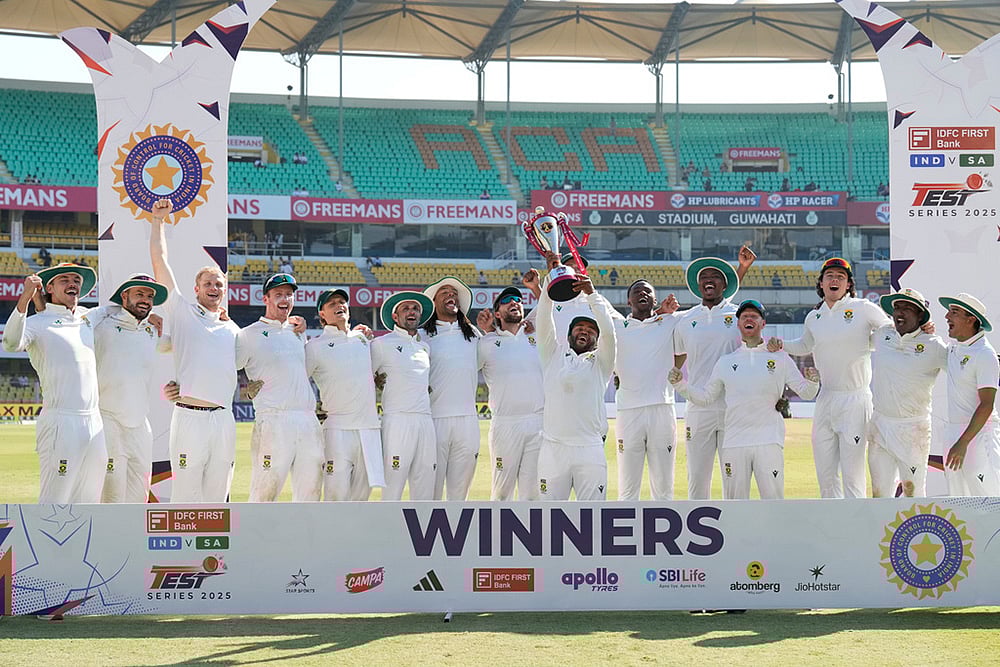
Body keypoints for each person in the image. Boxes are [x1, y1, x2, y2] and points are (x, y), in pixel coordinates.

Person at [767, 257, 892, 499]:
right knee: (825, 473)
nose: (835, 280)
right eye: (830, 276)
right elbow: (805, 345)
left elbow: (890, 331)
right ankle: (832, 520)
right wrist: (782, 345)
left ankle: (855, 520)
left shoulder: (863, 308)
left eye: (841, 277)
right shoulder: (814, 316)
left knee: (852, 474)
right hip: (826, 398)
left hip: (855, 398)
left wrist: (920, 330)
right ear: (821, 283)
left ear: (848, 284)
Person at [670, 300, 820, 500]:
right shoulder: (726, 362)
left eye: (754, 316)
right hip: (735, 443)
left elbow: (806, 393)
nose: (749, 319)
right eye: (744, 316)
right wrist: (681, 385)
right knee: (735, 505)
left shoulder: (780, 358)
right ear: (738, 324)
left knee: (774, 501)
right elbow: (706, 398)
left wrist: (813, 382)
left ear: (763, 323)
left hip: (769, 441)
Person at [149, 197, 241, 503]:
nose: (214, 288)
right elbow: (160, 262)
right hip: (189, 417)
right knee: (185, 497)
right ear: (196, 289)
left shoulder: (232, 329)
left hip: (224, 419)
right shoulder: (181, 311)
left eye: (219, 285)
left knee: (218, 496)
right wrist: (157, 221)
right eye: (208, 284)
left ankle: (216, 539)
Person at [2, 263, 106, 503]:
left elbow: (119, 311)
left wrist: (149, 318)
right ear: (49, 288)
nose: (73, 284)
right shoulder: (37, 323)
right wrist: (25, 298)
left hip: (95, 421)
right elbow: (10, 343)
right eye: (64, 279)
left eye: (76, 280)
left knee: (90, 502)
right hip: (61, 421)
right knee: (54, 503)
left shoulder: (87, 317)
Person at [672, 246, 757, 500]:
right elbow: (677, 359)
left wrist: (742, 268)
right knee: (697, 479)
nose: (709, 281)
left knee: (735, 478)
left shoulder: (739, 315)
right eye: (704, 278)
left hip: (734, 408)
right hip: (698, 408)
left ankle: (737, 523)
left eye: (716, 277)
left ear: (726, 285)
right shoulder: (686, 320)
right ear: (698, 285)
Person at [235, 273, 323, 502]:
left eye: (289, 294)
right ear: (265, 299)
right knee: (264, 493)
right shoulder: (248, 335)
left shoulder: (297, 332)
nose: (285, 299)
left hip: (307, 420)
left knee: (311, 494)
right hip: (274, 419)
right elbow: (227, 367)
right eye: (278, 294)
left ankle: (305, 528)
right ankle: (255, 527)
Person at [536, 252, 617, 500]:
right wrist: (550, 280)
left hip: (589, 448)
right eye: (579, 328)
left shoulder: (601, 363)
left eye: (591, 330)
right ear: (569, 335)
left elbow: (610, 333)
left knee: (593, 515)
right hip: (553, 448)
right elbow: (543, 320)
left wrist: (592, 295)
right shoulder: (552, 355)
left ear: (597, 339)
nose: (585, 331)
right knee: (548, 516)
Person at [95, 273, 168, 503]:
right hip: (108, 421)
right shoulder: (102, 327)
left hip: (139, 425)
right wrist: (111, 308)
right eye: (139, 294)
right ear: (124, 296)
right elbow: (75, 319)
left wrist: (217, 318)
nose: (145, 300)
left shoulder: (151, 331)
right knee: (112, 498)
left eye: (150, 296)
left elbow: (185, 345)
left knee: (139, 497)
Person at [306, 289, 385, 501]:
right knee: (335, 497)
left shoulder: (362, 339)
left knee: (361, 499)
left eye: (342, 302)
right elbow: (298, 380)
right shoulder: (314, 347)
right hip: (337, 431)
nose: (339, 305)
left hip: (369, 430)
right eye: (331, 304)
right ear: (322, 314)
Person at [868, 289, 947, 498]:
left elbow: (963, 368)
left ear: (920, 316)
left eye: (907, 308)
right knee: (880, 494)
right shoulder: (882, 334)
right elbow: (852, 343)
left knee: (914, 493)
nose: (900, 313)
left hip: (913, 430)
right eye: (897, 308)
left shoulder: (934, 345)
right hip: (880, 425)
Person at [614, 280, 681, 500]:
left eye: (647, 291)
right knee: (627, 487)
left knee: (663, 487)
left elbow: (705, 312)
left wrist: (662, 313)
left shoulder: (670, 321)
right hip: (628, 411)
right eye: (636, 291)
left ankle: (664, 522)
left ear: (655, 299)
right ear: (628, 300)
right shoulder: (616, 326)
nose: (642, 293)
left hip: (662, 407)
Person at [476, 287, 543, 500]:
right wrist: (486, 331)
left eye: (518, 300)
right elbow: (463, 369)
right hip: (505, 424)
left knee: (532, 495)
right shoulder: (486, 343)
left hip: (538, 422)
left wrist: (536, 287)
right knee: (502, 493)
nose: (514, 302)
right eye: (507, 301)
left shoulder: (537, 335)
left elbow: (550, 304)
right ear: (497, 313)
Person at [372, 291, 437, 501]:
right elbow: (365, 379)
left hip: (425, 420)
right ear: (395, 316)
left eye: (415, 309)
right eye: (406, 308)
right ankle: (388, 522)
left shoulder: (424, 347)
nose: (412, 312)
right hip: (397, 421)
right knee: (393, 485)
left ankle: (421, 523)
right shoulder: (381, 344)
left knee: (425, 485)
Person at [422, 277, 481, 501]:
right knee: (431, 492)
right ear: (434, 302)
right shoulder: (422, 336)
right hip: (434, 420)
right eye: (444, 292)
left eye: (454, 293)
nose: (451, 295)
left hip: (467, 421)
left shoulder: (473, 334)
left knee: (459, 494)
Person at [939, 293, 1000, 496]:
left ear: (971, 319)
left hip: (979, 436)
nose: (947, 316)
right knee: (959, 502)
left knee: (989, 501)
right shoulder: (954, 348)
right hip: (954, 434)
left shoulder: (985, 354)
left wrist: (963, 442)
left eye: (954, 312)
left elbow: (987, 404)